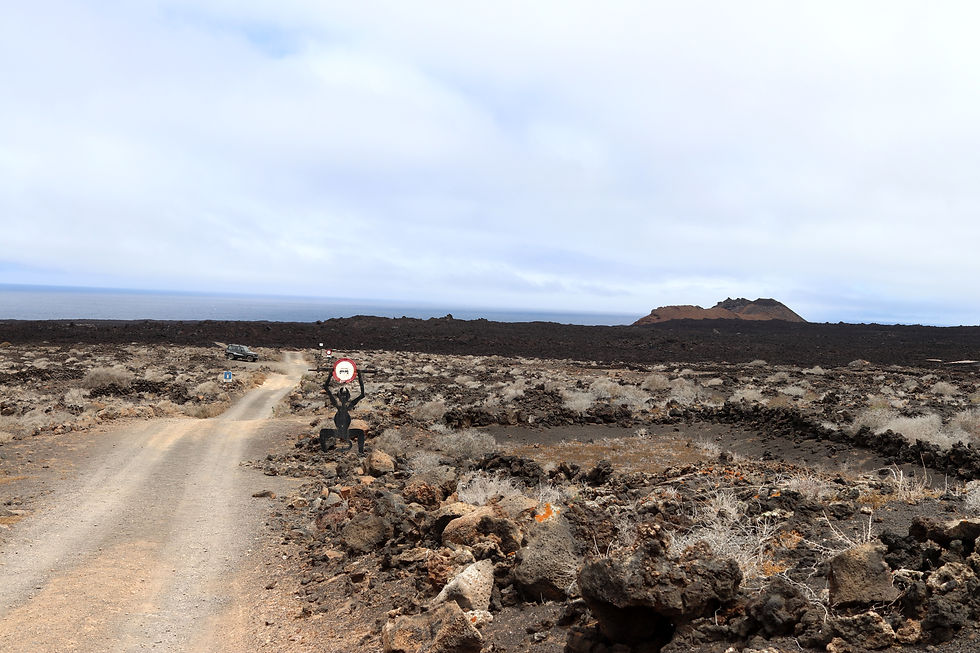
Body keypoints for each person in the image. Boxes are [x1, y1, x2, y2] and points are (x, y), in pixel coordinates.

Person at [320, 370, 366, 454]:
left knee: (361, 432)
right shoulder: (338, 405)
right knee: (322, 432)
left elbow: (362, 395)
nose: (343, 397)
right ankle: (324, 452)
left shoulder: (349, 405)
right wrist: (330, 375)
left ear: (348, 397)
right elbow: (326, 388)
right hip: (338, 432)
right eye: (342, 396)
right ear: (339, 396)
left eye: (345, 396)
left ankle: (361, 452)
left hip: (346, 432)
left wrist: (359, 376)